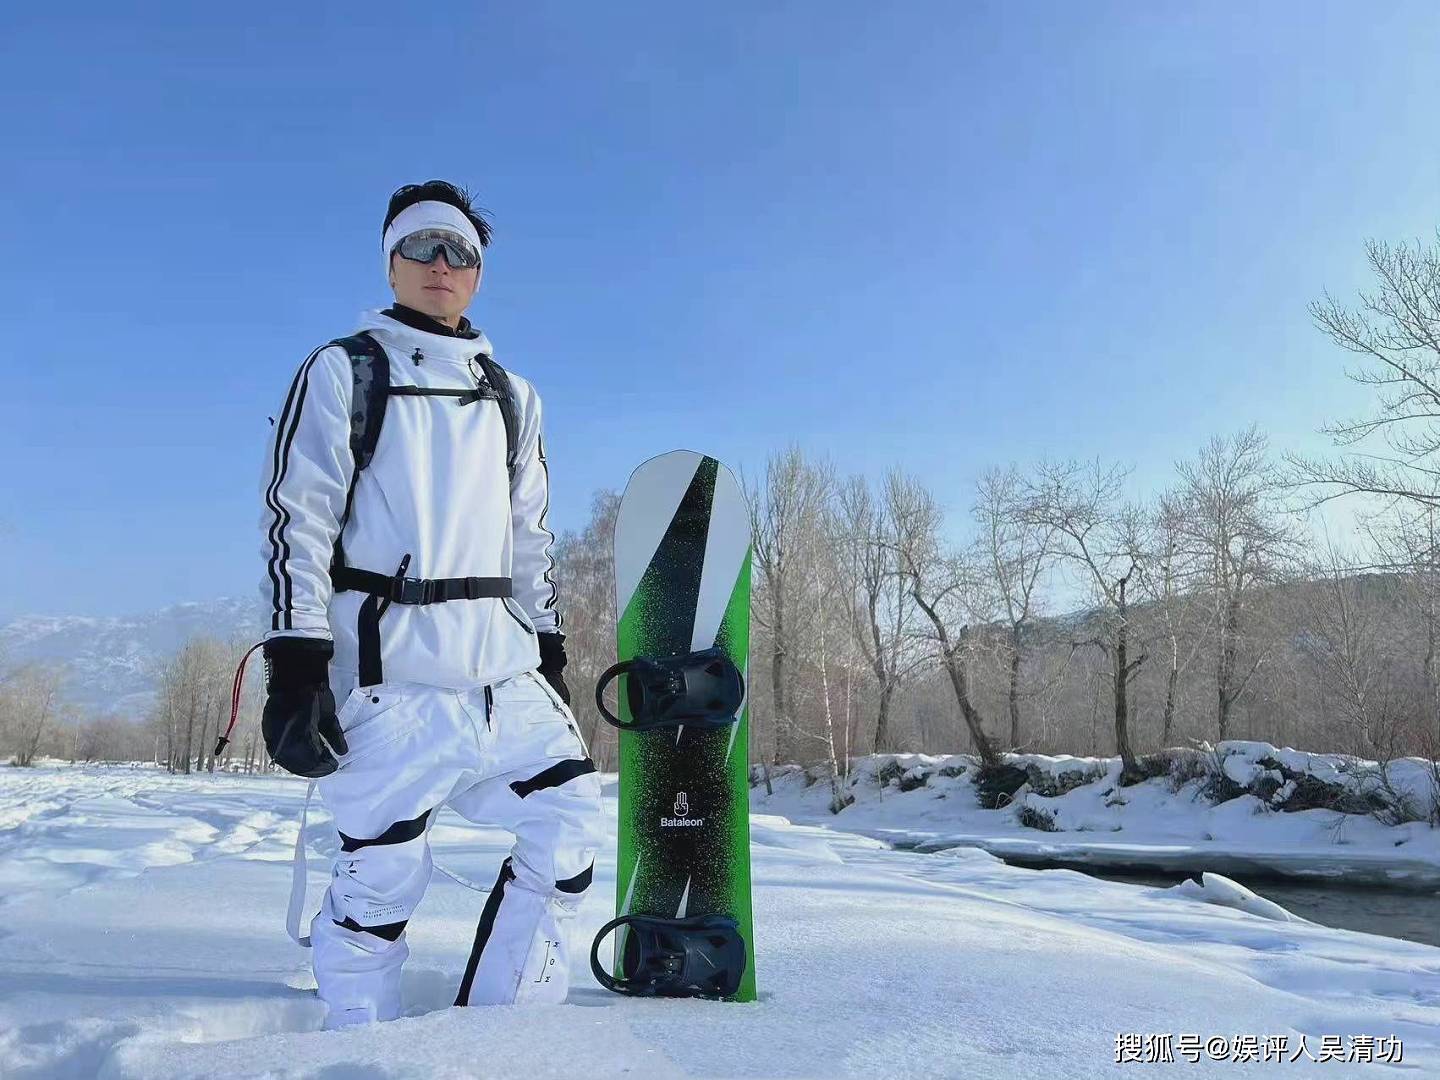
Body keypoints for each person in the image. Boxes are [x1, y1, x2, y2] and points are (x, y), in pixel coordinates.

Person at [257, 179, 603, 1029]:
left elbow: (532, 537)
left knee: (568, 828)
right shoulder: (344, 369)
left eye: (460, 252)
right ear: (391, 261)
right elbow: (296, 523)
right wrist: (296, 667)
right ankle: (361, 1048)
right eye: (422, 247)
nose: (441, 265)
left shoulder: (513, 396)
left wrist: (549, 650)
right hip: (389, 677)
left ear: (479, 274)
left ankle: (496, 1035)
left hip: (500, 671)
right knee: (380, 884)